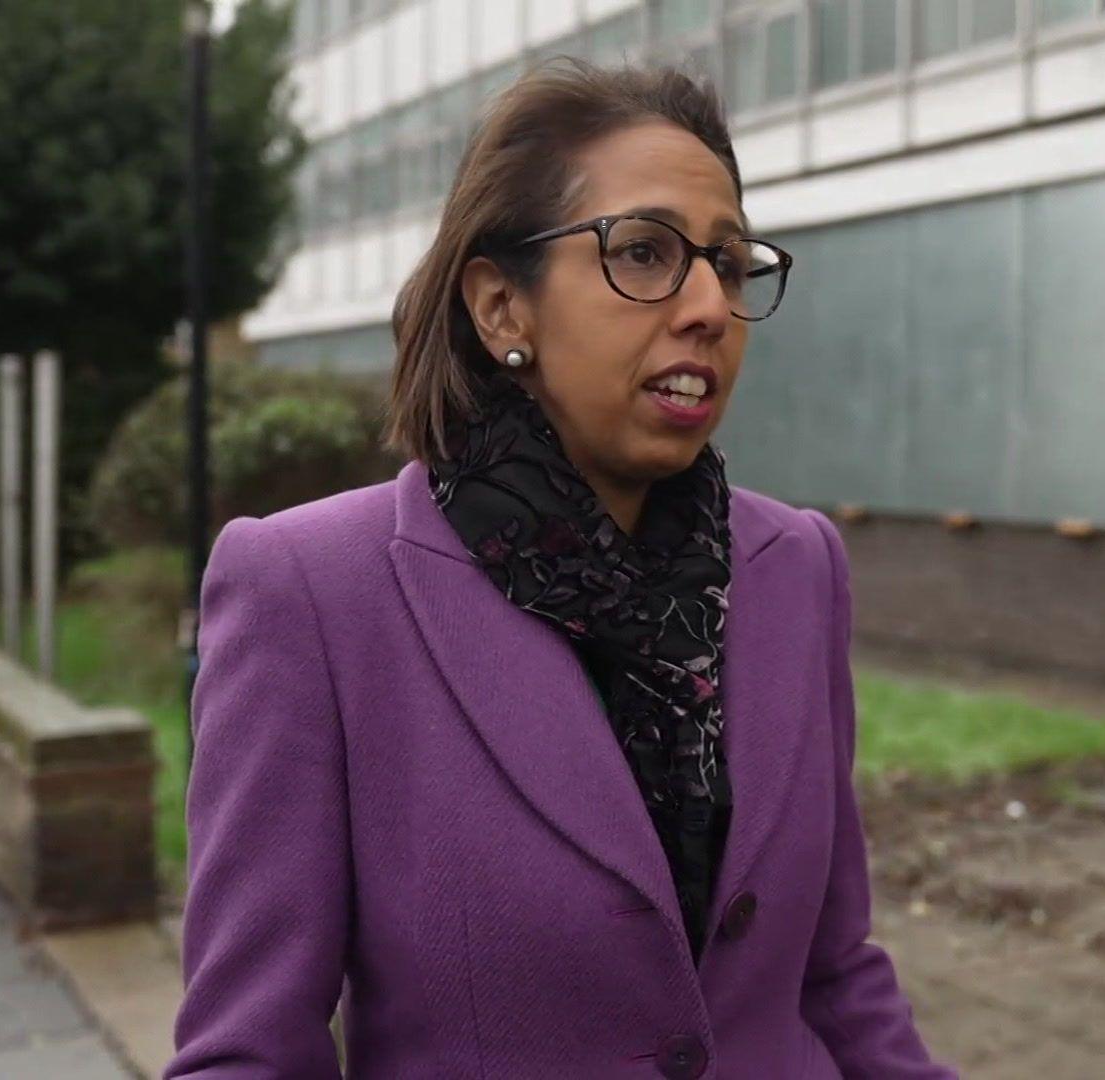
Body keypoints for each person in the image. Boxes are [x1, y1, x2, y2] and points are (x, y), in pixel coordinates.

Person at [164, 61, 953, 1079]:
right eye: (645, 252)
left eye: (728, 263)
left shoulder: (797, 566)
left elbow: (834, 975)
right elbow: (248, 1054)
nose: (710, 306)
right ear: (502, 308)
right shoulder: (312, 591)